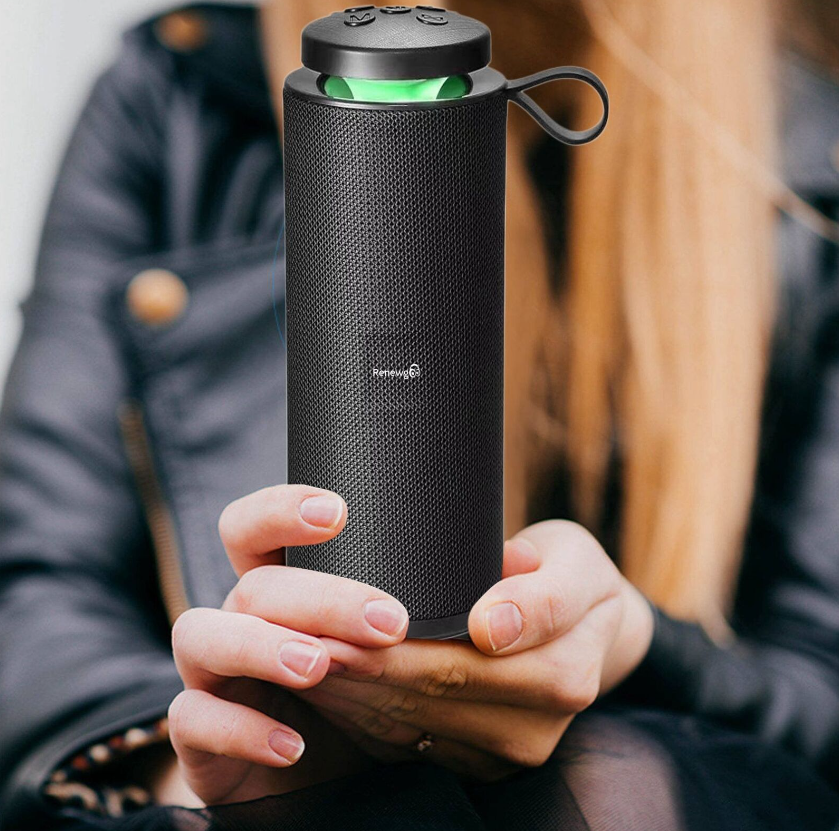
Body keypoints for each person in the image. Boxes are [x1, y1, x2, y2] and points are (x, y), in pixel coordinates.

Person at [1, 0, 839, 828]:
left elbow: (818, 697)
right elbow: (38, 596)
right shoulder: (182, 94)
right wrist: (207, 761)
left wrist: (632, 645)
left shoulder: (806, 160)